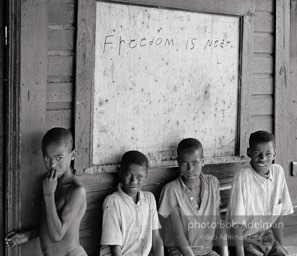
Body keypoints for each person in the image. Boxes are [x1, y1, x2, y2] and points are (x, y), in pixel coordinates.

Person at [5, 127, 88, 256]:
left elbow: (57, 235)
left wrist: (49, 194)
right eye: (46, 158)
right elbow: (50, 221)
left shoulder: (76, 191)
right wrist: (28, 235)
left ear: (72, 155)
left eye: (59, 157)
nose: (52, 164)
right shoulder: (50, 182)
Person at [226, 130, 293, 256]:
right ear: (249, 152)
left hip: (266, 237)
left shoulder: (278, 172)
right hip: (244, 240)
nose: (263, 158)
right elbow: (237, 225)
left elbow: (277, 215)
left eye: (268, 154)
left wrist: (281, 248)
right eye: (257, 153)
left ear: (274, 155)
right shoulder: (243, 177)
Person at [158, 138, 228, 256]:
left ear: (203, 161)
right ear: (178, 162)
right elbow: (177, 234)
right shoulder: (171, 190)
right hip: (181, 252)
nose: (190, 169)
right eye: (185, 163)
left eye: (195, 162)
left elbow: (218, 224)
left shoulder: (212, 183)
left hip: (207, 252)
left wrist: (225, 254)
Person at [100, 150, 164, 256]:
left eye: (140, 177)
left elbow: (156, 238)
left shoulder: (149, 199)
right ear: (120, 173)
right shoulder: (113, 202)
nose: (134, 181)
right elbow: (115, 248)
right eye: (128, 175)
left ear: (146, 175)